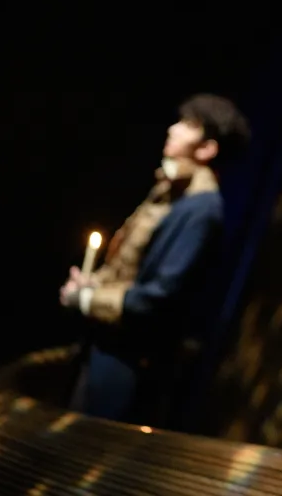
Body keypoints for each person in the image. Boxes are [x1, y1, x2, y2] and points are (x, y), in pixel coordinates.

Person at [59, 94, 250, 424]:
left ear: (207, 148)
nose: (173, 129)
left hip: (129, 361)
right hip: (108, 346)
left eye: (189, 126)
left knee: (94, 450)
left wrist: (87, 298)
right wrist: (96, 284)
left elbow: (159, 297)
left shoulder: (201, 210)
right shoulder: (172, 190)